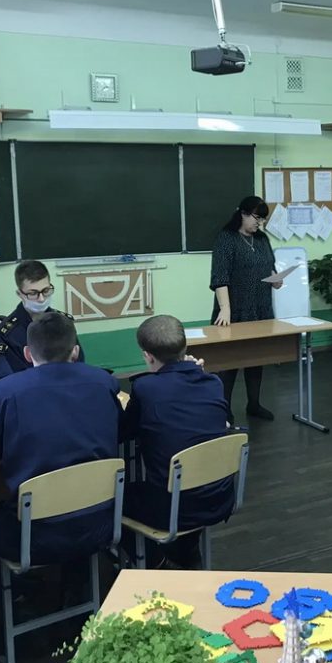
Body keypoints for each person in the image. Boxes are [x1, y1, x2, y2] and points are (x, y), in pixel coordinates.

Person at [0, 312, 122, 568]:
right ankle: (75, 580)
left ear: (27, 354)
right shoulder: (104, 382)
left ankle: (5, 592)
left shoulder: (6, 392)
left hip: (35, 537)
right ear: (75, 351)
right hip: (101, 523)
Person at [120, 314, 233, 568]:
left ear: (148, 356)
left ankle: (158, 563)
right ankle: (187, 553)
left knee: (110, 500)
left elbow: (125, 431)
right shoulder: (213, 382)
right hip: (219, 497)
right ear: (186, 348)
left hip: (175, 508)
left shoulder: (146, 388)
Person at [209, 196, 283, 422]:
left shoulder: (261, 239)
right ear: (242, 213)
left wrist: (276, 280)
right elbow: (220, 277)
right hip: (235, 310)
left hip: (260, 310)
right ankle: (224, 410)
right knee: (228, 363)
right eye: (256, 218)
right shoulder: (226, 238)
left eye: (262, 219)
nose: (259, 223)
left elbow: (269, 268)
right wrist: (225, 309)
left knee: (255, 359)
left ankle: (254, 404)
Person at [0, 260, 85, 372]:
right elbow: (16, 377)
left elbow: (79, 362)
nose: (41, 299)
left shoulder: (64, 322)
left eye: (46, 290)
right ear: (20, 294)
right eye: (33, 293)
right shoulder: (8, 334)